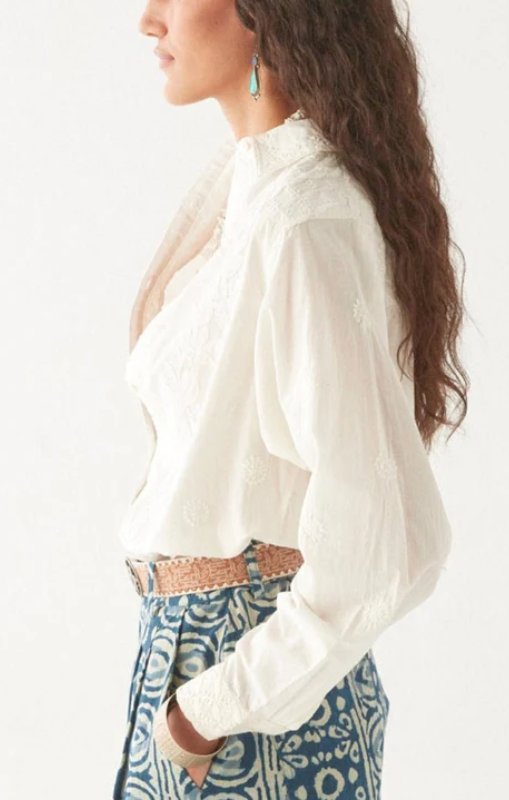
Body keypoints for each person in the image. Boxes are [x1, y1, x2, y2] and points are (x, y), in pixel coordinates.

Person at [113, 0, 468, 797]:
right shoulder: (257, 193)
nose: (149, 18)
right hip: (195, 663)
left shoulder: (304, 217)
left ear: (262, 12)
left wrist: (205, 711)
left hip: (247, 690)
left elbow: (389, 543)